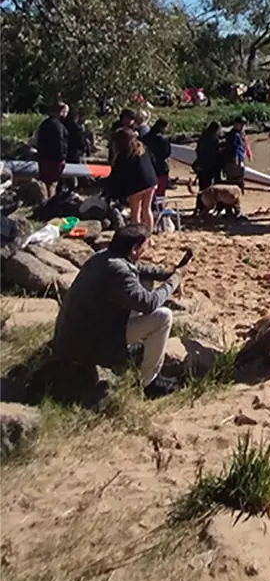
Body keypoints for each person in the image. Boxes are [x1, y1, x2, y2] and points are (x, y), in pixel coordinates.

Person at [52, 224, 193, 399]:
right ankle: (149, 383)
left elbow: (139, 270)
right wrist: (175, 280)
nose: (148, 247)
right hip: (88, 347)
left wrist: (168, 274)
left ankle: (130, 349)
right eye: (146, 244)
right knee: (163, 317)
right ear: (134, 249)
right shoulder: (120, 273)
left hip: (78, 335)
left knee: (145, 283)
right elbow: (150, 304)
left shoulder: (104, 258)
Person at [107, 128, 158, 231]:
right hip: (151, 181)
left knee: (135, 212)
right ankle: (149, 238)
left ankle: (138, 238)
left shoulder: (124, 154)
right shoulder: (142, 147)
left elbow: (117, 173)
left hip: (137, 185)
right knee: (147, 210)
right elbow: (153, 161)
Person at [36, 101, 68, 198]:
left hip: (43, 158)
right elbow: (60, 143)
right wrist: (63, 157)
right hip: (55, 159)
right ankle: (51, 203)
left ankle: (45, 201)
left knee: (45, 183)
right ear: (61, 111)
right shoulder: (59, 126)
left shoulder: (44, 124)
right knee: (53, 183)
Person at [145, 118, 172, 197]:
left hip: (149, 166)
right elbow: (167, 153)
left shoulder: (146, 137)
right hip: (161, 167)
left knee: (149, 192)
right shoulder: (163, 139)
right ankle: (159, 208)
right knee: (160, 191)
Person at [194, 121, 223, 194]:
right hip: (209, 167)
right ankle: (206, 204)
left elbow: (197, 150)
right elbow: (215, 153)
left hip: (201, 164)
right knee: (207, 187)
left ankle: (200, 203)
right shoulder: (214, 140)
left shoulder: (202, 137)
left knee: (202, 186)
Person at [223, 116, 248, 190]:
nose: (242, 126)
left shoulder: (240, 134)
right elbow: (234, 149)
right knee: (235, 179)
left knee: (239, 177)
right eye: (241, 124)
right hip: (234, 160)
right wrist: (236, 160)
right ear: (235, 124)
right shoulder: (233, 135)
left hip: (239, 159)